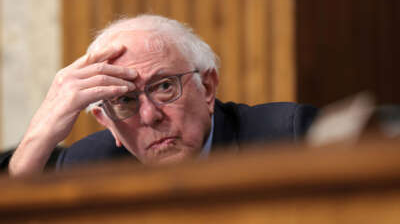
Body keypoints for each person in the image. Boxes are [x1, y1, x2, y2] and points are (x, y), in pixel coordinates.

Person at [8, 15, 317, 177]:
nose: (149, 115)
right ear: (107, 123)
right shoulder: (88, 164)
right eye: (125, 100)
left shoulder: (286, 136)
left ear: (207, 88)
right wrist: (38, 136)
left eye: (164, 87)